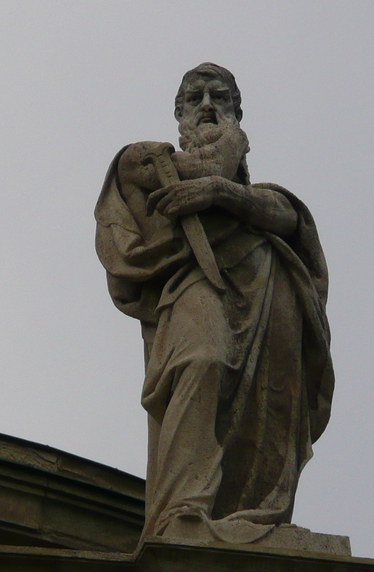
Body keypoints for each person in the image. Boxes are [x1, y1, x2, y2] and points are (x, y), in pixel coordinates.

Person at [95, 63, 333, 544]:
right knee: (200, 361)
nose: (207, 106)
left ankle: (257, 517)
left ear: (236, 112)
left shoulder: (264, 196)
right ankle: (184, 508)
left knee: (274, 402)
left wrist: (225, 193)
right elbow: (177, 179)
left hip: (267, 283)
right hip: (194, 279)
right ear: (179, 113)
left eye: (220, 98)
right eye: (196, 98)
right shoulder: (144, 160)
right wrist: (222, 168)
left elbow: (289, 218)